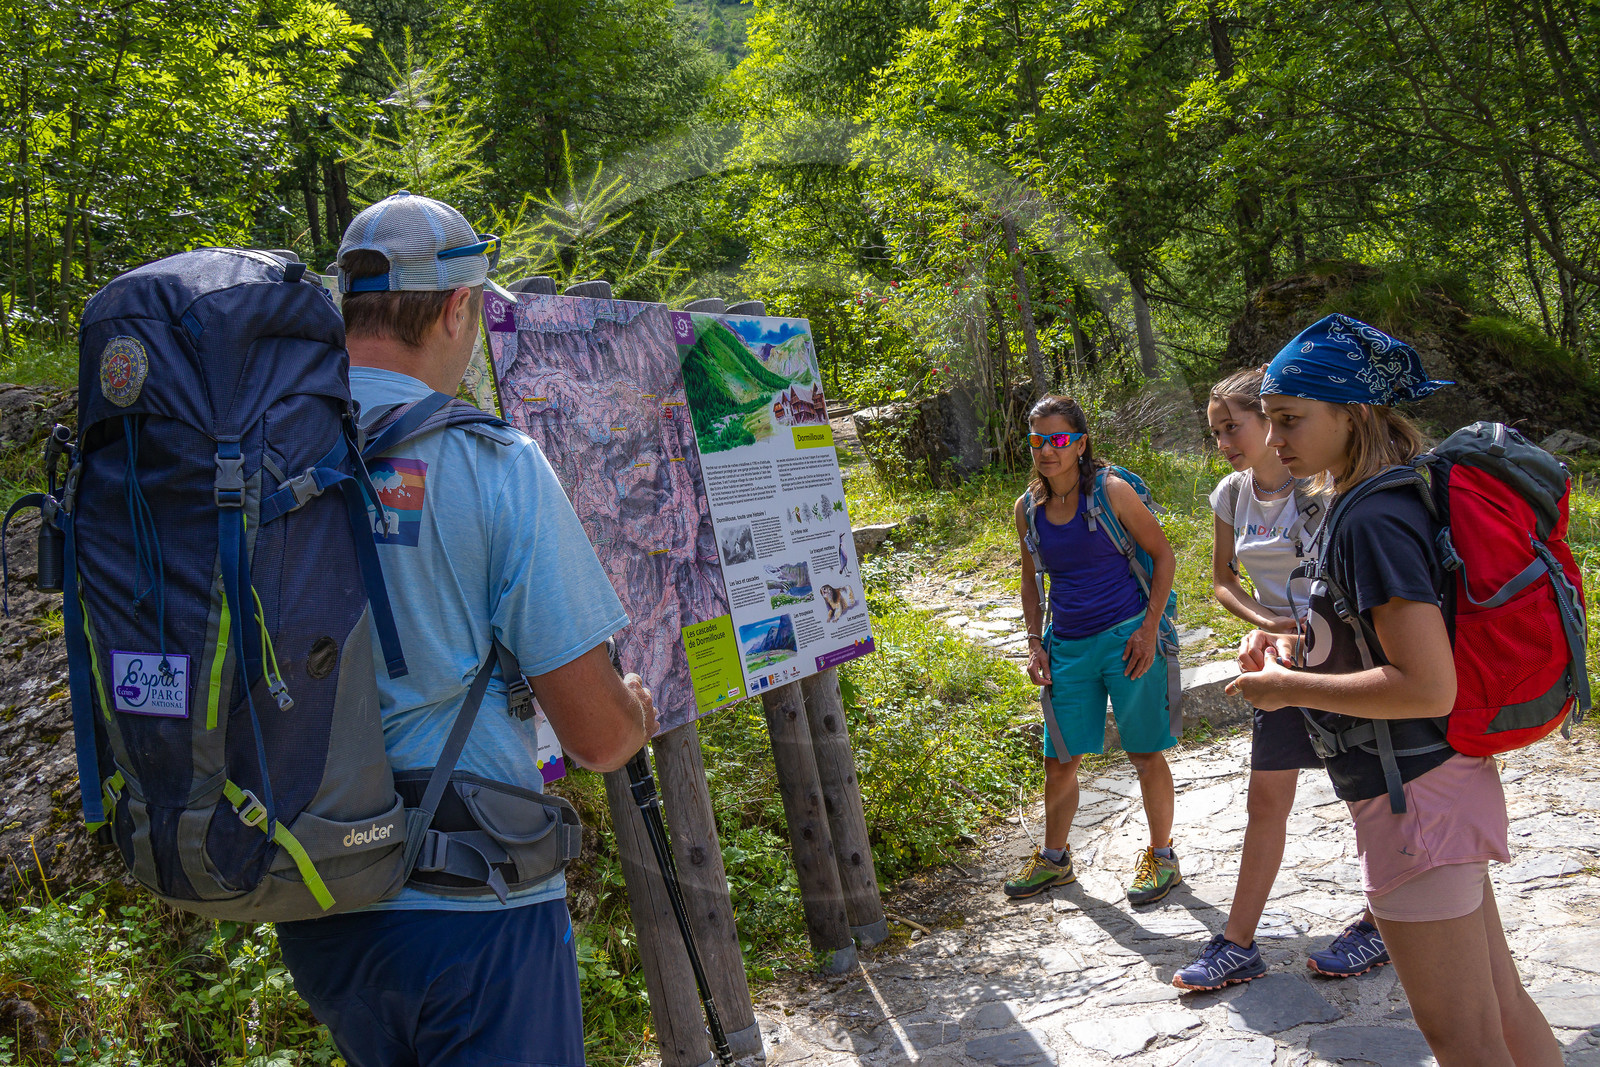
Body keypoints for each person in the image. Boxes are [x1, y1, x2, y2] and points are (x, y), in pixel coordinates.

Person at [275, 191, 658, 1067]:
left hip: (319, 907)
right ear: (458, 308)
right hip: (473, 916)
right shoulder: (493, 465)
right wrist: (632, 707)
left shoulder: (273, 459)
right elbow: (596, 737)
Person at [1230, 314, 1559, 1067]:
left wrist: (1284, 688)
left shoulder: (1370, 517)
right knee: (1499, 1009)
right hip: (1442, 785)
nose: (1274, 439)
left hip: (1413, 803)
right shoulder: (1378, 496)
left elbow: (1426, 684)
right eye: (1271, 420)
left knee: (1463, 1038)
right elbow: (1372, 637)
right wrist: (1290, 644)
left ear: (1353, 414)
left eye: (1291, 419)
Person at [1173, 368, 1387, 990]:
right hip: (1280, 663)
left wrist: (1300, 629)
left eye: (1233, 427)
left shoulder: (1322, 487)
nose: (1224, 443)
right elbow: (1221, 579)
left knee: (1365, 797)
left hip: (1345, 662)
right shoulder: (1231, 494)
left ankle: (1381, 922)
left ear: (1270, 422)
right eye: (1215, 433)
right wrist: (1269, 623)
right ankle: (1239, 943)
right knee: (1266, 798)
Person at [1005, 394, 1182, 906]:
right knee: (1059, 760)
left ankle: (1162, 857)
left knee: (1145, 753)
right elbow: (1030, 580)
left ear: (1081, 444)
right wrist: (1035, 642)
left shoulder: (1112, 492)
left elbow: (1163, 553)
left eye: (1059, 440)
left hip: (1127, 639)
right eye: (1038, 440)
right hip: (1068, 647)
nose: (1047, 450)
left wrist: (1150, 628)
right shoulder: (1028, 508)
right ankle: (1055, 859)